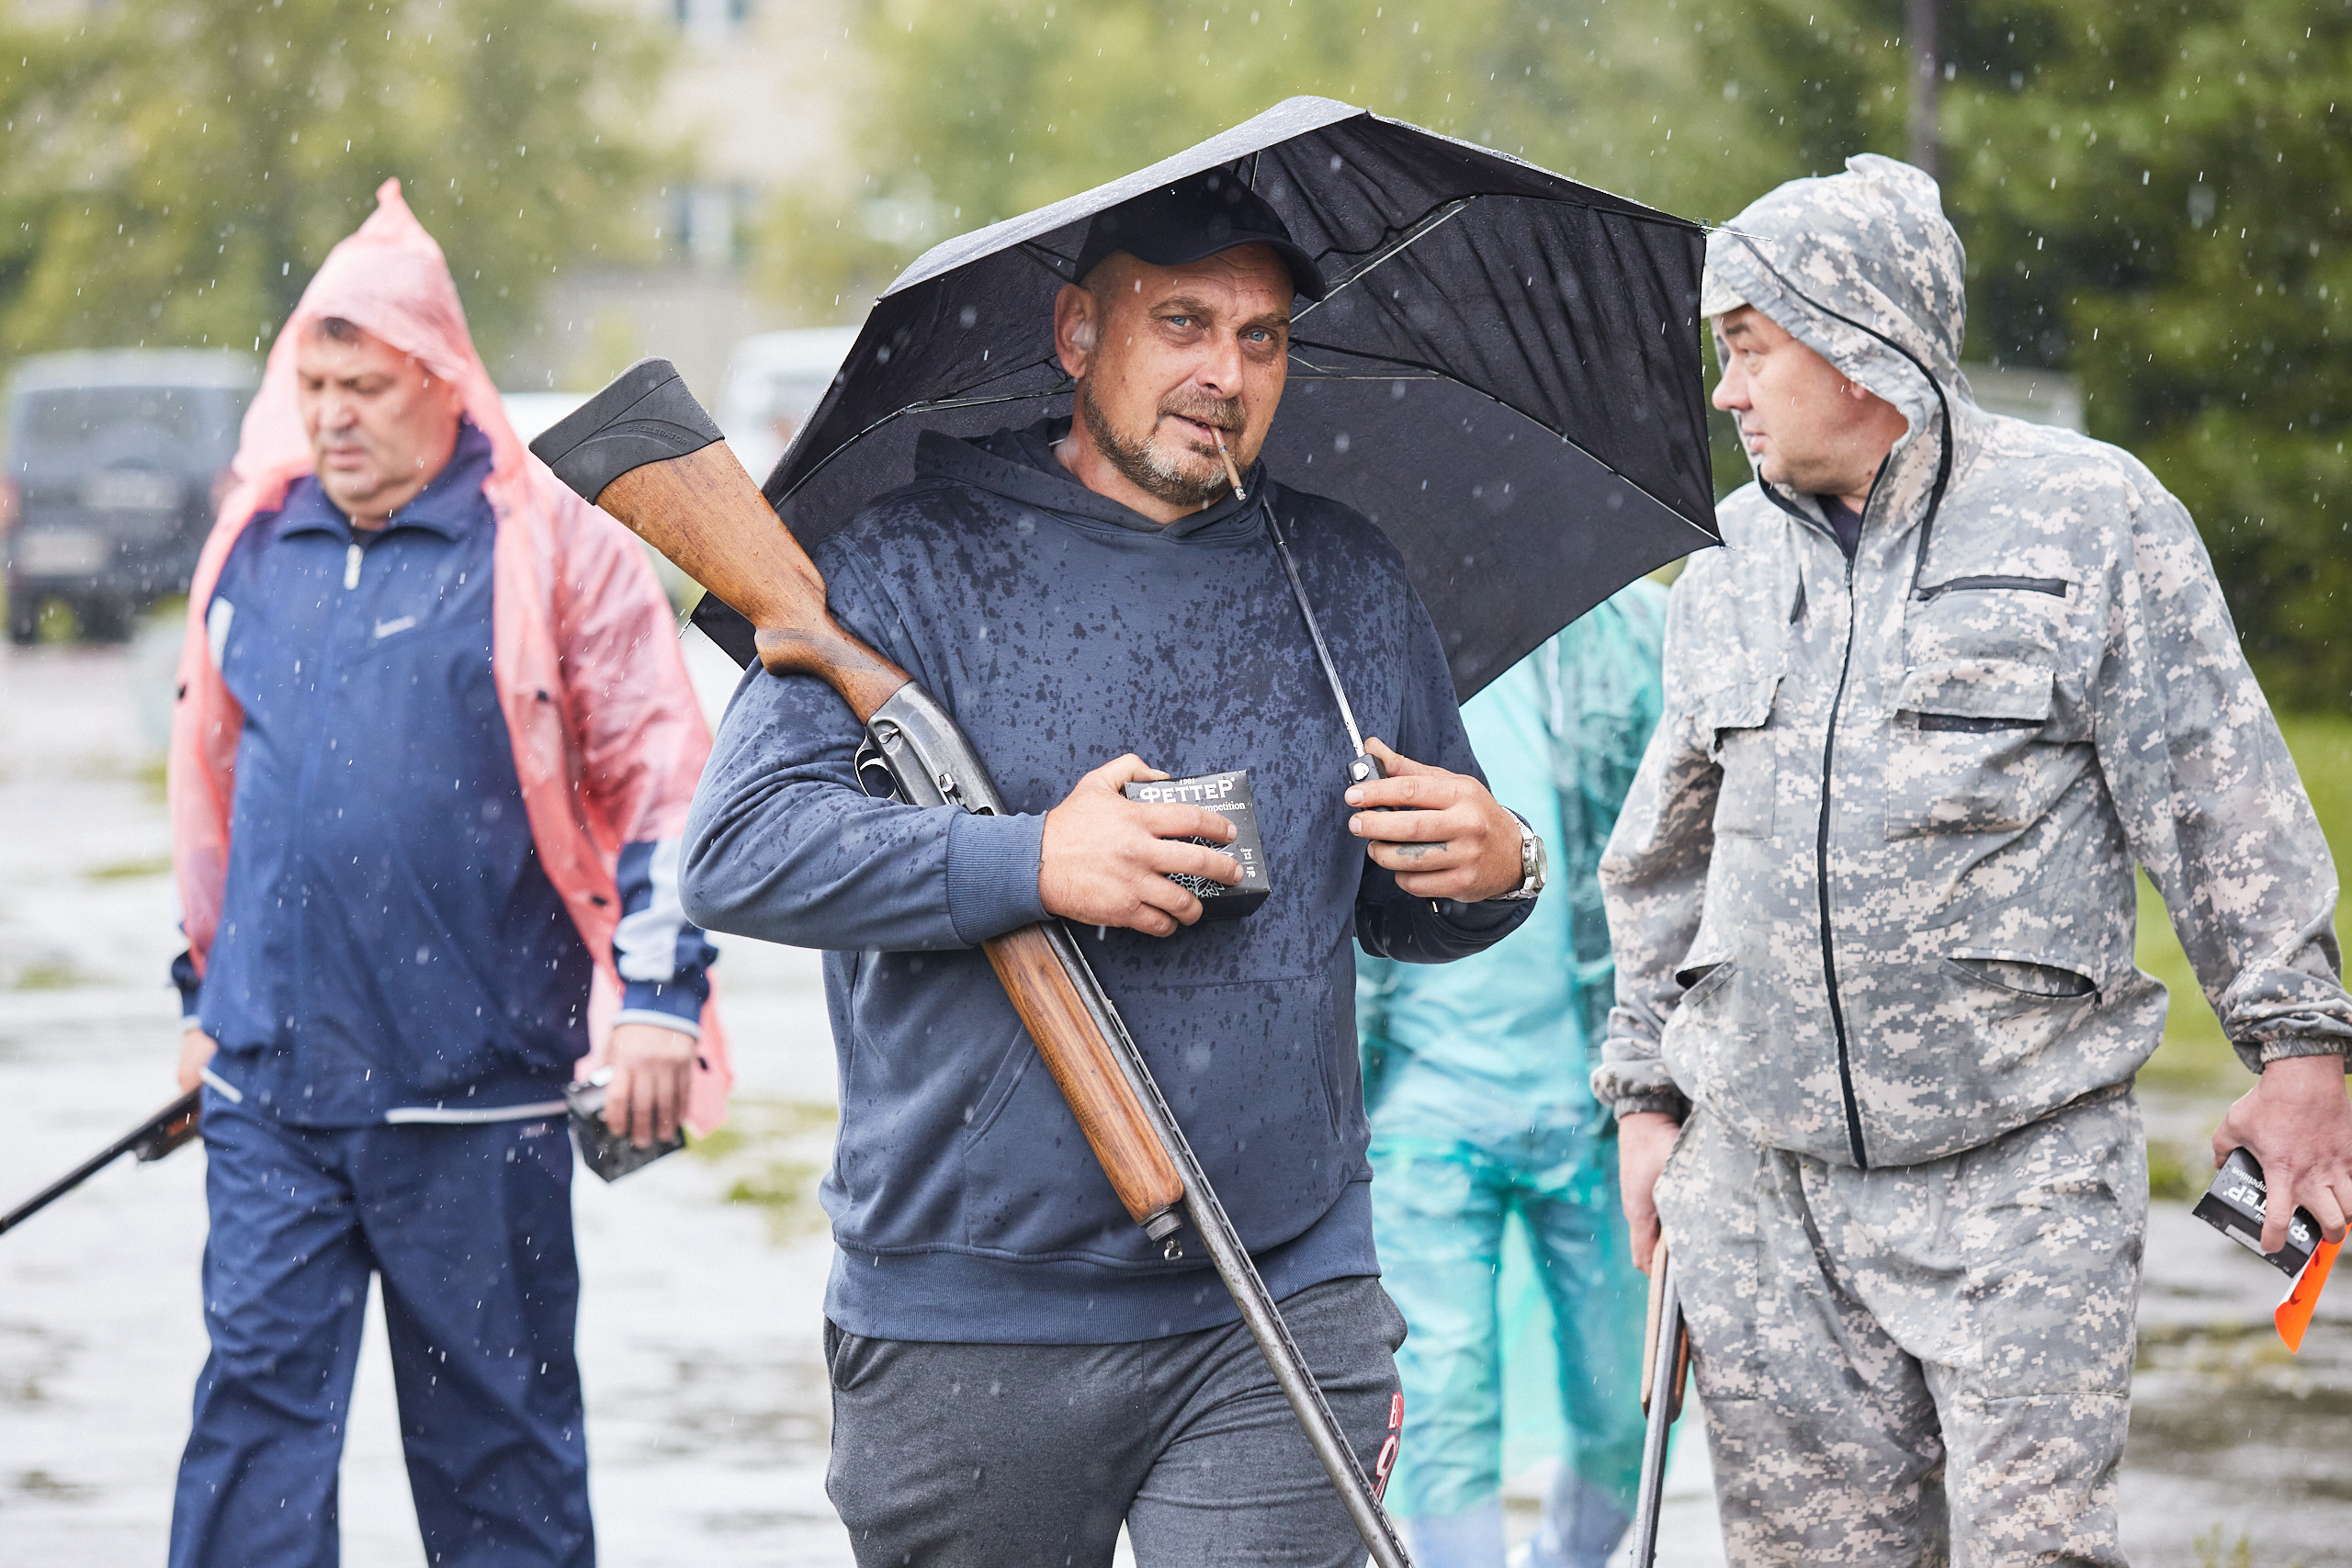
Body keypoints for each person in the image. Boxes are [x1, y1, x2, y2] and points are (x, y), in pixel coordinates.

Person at [681, 171, 1544, 1566]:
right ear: (1080, 333)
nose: (1226, 371)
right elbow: (739, 850)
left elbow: (1400, 907)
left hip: (1285, 1283)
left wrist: (1496, 866)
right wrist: (1034, 858)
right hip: (968, 1306)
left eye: (1262, 338)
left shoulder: (1346, 575)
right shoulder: (904, 566)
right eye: (1185, 321)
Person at [1595, 152, 2352, 1564]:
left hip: (2020, 1180)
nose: (1726, 391)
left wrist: (2301, 1053)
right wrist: (1647, 1101)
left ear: (1861, 338)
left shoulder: (2091, 520)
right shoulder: (1727, 563)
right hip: (1768, 1198)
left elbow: (2219, 800)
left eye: (1749, 348)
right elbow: (1662, 864)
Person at [165, 181, 730, 1568]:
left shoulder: (548, 550)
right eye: (313, 384)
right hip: (271, 1097)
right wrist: (201, 995)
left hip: (478, 1103)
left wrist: (660, 999)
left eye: (365, 384)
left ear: (445, 383)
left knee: (501, 1460)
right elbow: (216, 797)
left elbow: (666, 775)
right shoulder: (262, 542)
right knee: (250, 1442)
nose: (333, 414)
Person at [1356, 582, 1666, 1568]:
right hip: (1421, 1111)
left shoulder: (1630, 640)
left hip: (1597, 1104)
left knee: (1629, 1408)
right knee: (1443, 1410)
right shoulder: (1361, 654)